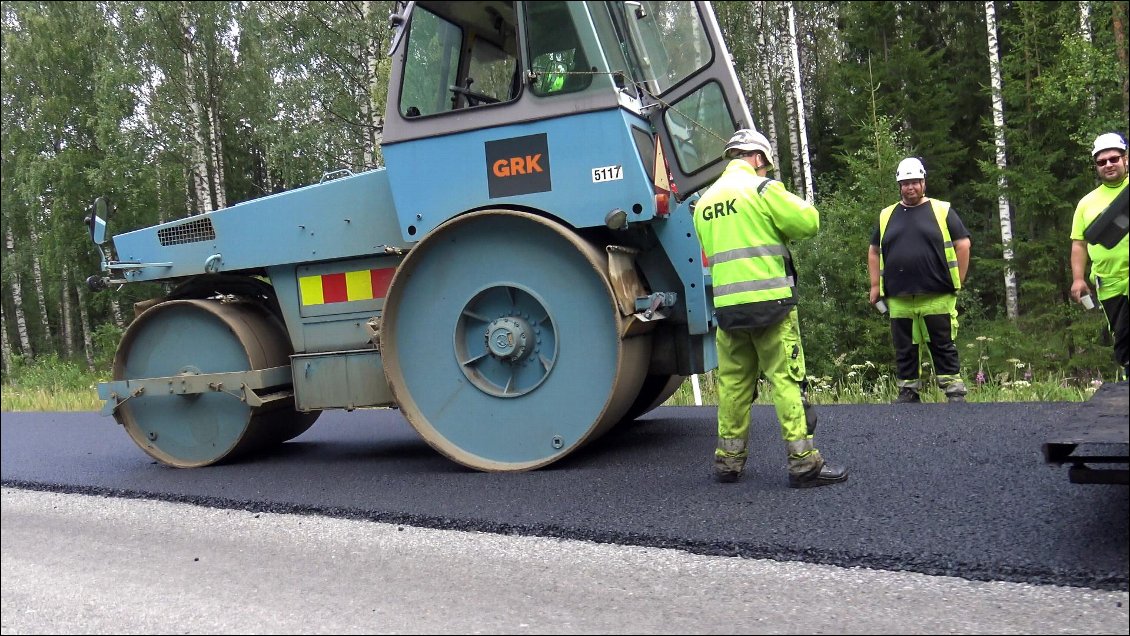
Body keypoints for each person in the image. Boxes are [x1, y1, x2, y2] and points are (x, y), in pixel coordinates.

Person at [692, 128, 848, 488]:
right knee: (786, 380)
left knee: (732, 385)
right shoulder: (762, 190)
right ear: (758, 158)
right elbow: (809, 222)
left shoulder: (704, 204)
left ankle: (728, 462)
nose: (766, 171)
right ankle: (804, 463)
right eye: (766, 165)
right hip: (771, 306)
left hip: (729, 311)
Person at [868, 157, 971, 404]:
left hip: (937, 293)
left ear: (923, 182)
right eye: (905, 183)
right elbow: (874, 250)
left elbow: (963, 243)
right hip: (899, 295)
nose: (910, 187)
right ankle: (908, 390)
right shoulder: (886, 215)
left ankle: (954, 390)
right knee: (904, 346)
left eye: (914, 182)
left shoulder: (941, 210)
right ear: (899, 185)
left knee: (942, 343)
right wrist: (874, 286)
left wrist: (958, 279)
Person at [1070, 132, 1129, 380]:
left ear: (1126, 159)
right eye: (1101, 161)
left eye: (1113, 158)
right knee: (1124, 338)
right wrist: (1078, 278)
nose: (1108, 165)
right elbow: (1079, 244)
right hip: (1110, 284)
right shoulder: (1087, 203)